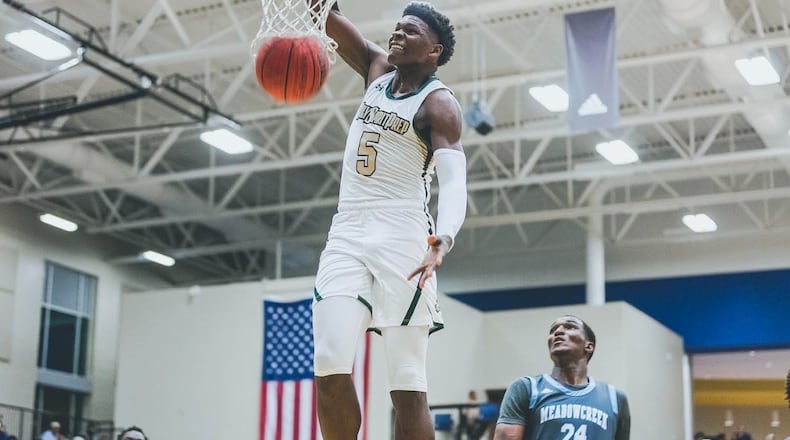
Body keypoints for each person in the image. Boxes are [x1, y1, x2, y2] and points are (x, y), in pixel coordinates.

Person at [308, 1, 466, 439]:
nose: (397, 34)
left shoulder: (439, 104)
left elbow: (454, 183)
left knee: (407, 383)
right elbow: (326, 16)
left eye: (409, 31)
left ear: (433, 50)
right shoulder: (377, 69)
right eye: (396, 28)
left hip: (404, 233)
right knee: (328, 358)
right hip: (348, 228)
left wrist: (444, 238)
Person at [493, 315, 631, 440]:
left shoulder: (615, 399)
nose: (557, 332)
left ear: (588, 346)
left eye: (570, 327)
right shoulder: (527, 388)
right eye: (553, 330)